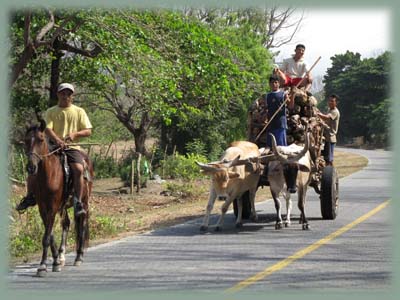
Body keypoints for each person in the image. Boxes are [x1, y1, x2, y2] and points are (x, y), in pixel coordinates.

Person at [16, 83, 93, 216]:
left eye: (68, 94)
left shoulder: (79, 111)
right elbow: (47, 128)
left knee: (78, 169)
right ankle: (30, 196)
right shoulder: (51, 111)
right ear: (58, 94)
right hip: (52, 147)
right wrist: (57, 140)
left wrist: (74, 135)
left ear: (72, 96)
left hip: (72, 147)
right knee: (34, 167)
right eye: (63, 93)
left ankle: (78, 202)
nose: (65, 96)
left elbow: (88, 130)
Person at [264, 75, 294, 148]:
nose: (274, 84)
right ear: (269, 84)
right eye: (272, 83)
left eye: (276, 82)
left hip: (280, 124)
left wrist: (293, 96)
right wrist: (264, 118)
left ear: (279, 83)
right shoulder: (268, 96)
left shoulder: (283, 94)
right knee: (270, 147)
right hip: (270, 125)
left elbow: (290, 106)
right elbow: (266, 109)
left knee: (281, 147)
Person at [317, 94, 340, 166]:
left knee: (329, 159)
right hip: (326, 138)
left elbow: (326, 117)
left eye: (332, 101)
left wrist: (318, 114)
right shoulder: (329, 110)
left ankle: (331, 173)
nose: (330, 102)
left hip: (330, 138)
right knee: (326, 158)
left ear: (336, 103)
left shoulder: (335, 112)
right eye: (329, 101)